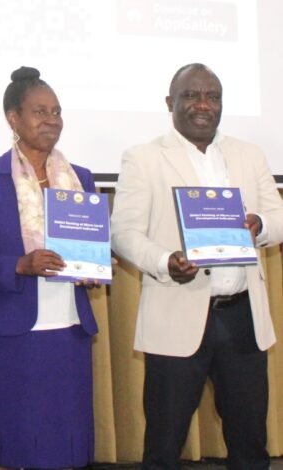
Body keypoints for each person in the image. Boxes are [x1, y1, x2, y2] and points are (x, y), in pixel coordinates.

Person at [111, 63, 283, 470]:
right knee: (164, 445)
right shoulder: (144, 157)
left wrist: (259, 226)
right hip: (176, 311)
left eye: (213, 97)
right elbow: (124, 231)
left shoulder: (248, 154)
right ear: (171, 103)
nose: (203, 105)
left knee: (250, 443)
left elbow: (277, 214)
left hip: (242, 316)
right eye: (191, 96)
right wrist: (164, 261)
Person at [0, 66, 99, 470]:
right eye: (39, 111)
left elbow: (89, 246)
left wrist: (98, 262)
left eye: (56, 111)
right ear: (13, 118)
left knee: (65, 447)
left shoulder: (82, 180)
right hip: (10, 335)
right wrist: (19, 265)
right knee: (12, 445)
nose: (51, 120)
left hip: (69, 330)